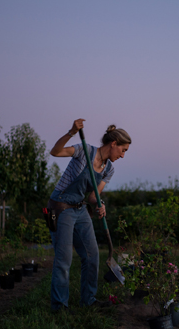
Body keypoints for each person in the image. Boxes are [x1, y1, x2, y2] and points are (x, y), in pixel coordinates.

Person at [47, 118, 131, 312]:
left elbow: (93, 196)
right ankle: (60, 306)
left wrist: (100, 204)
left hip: (80, 208)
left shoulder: (109, 169)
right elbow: (55, 151)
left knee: (92, 255)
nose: (124, 155)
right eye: (123, 150)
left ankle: (89, 299)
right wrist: (71, 132)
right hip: (60, 207)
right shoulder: (83, 151)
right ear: (113, 144)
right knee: (64, 259)